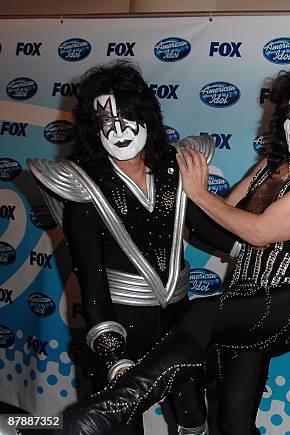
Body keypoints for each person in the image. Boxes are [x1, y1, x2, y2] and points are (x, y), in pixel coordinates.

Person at [60, 67, 290, 435]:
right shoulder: (269, 166)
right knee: (232, 419)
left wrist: (197, 192)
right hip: (243, 302)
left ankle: (117, 403)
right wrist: (175, 199)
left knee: (201, 312)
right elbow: (224, 222)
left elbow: (258, 232)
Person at [27, 61, 236, 435]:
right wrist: (114, 355)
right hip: (120, 324)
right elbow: (92, 284)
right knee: (122, 426)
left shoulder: (175, 167)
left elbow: (207, 230)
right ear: (93, 129)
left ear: (147, 117)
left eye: (127, 117)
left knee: (193, 418)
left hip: (180, 323)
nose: (119, 131)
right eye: (106, 122)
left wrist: (268, 245)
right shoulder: (83, 185)